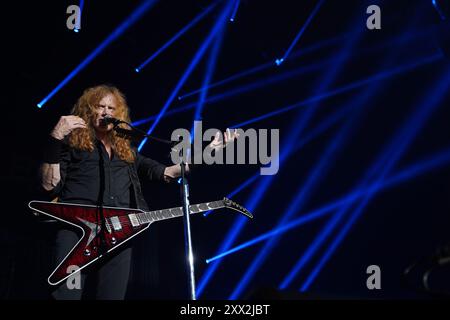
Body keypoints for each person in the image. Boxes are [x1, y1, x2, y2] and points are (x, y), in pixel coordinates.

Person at [40, 84, 237, 299]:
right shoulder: (72, 145)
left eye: (111, 108)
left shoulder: (128, 154)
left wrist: (209, 154)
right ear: (89, 110)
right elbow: (49, 186)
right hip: (78, 232)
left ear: (119, 114)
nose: (106, 112)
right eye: (100, 106)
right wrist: (56, 137)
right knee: (67, 295)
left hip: (118, 235)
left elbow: (168, 173)